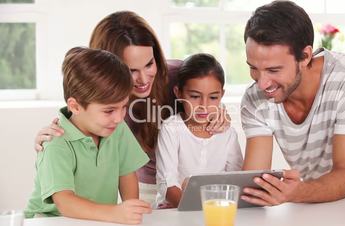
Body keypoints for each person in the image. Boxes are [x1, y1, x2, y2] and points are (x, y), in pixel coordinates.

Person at [33, 11, 230, 204]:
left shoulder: (177, 75)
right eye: (131, 70)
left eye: (149, 64)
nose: (143, 79)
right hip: (148, 186)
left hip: (188, 182)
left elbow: (209, 95)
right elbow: (79, 114)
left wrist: (220, 114)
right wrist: (52, 137)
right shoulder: (102, 102)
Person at [240, 0, 345, 206]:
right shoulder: (254, 99)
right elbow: (253, 183)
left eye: (273, 70)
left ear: (305, 56)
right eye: (254, 68)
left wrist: (295, 192)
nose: (262, 83)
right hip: (311, 205)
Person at [25, 47, 151, 224]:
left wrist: (130, 211)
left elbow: (127, 174)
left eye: (124, 107)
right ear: (75, 106)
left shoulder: (117, 129)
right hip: (50, 221)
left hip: (95, 219)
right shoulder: (55, 142)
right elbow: (65, 202)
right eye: (109, 111)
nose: (119, 117)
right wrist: (115, 213)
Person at [155, 53, 243, 207]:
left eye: (213, 98)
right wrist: (192, 206)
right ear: (178, 93)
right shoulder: (171, 129)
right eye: (195, 96)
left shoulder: (228, 133)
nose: (204, 105)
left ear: (222, 94)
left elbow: (236, 180)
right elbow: (167, 183)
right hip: (175, 209)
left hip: (216, 210)